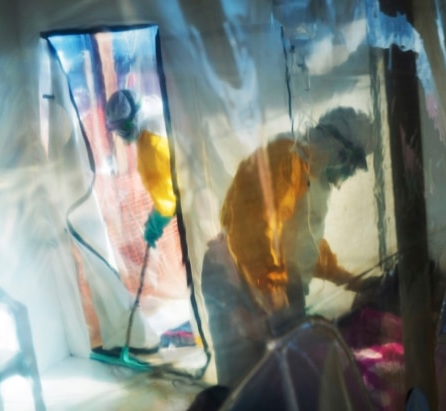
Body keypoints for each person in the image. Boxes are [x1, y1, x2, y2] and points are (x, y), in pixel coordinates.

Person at [202, 106, 373, 387]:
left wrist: (354, 282)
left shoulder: (311, 176)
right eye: (350, 165)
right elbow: (255, 235)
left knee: (280, 383)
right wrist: (275, 300)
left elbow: (304, 247)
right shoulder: (287, 160)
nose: (348, 174)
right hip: (234, 279)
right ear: (339, 151)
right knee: (244, 388)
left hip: (265, 282)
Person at [105, 89, 176, 249]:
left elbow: (168, 200)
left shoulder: (149, 145)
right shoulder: (157, 113)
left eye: (121, 128)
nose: (120, 134)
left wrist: (156, 223)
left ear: (133, 120)